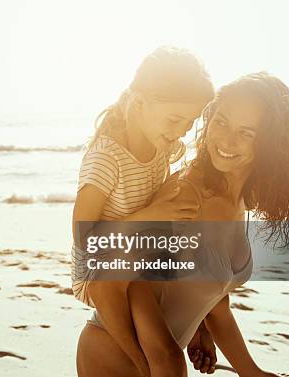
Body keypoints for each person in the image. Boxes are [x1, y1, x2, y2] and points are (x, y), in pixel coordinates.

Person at [76, 72, 289, 377]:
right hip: (118, 358)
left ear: (269, 144)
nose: (226, 140)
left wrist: (251, 371)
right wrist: (165, 357)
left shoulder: (239, 201)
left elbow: (217, 305)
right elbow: (116, 279)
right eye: (221, 122)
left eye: (246, 132)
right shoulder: (185, 195)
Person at [71, 46, 215, 376]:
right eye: (174, 119)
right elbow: (84, 238)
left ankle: (196, 327)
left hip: (142, 254)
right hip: (101, 267)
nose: (181, 131)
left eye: (190, 122)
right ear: (139, 102)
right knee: (158, 361)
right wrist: (153, 213)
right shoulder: (107, 159)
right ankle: (138, 361)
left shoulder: (162, 145)